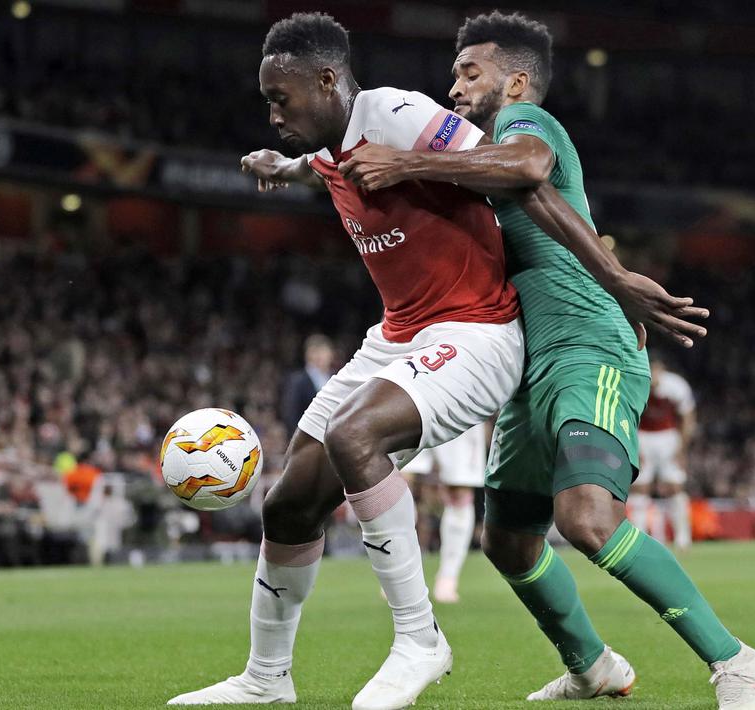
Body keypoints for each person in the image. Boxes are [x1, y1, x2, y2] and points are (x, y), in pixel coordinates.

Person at [169, 12, 704, 710]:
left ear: (327, 80)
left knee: (354, 436)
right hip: (396, 335)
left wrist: (613, 279)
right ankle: (266, 677)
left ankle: (419, 639)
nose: (272, 113)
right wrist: (283, 167)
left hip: (476, 329)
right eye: (266, 102)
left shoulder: (396, 113)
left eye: (281, 98)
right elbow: (329, 165)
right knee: (289, 501)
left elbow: (525, 179)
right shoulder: (332, 142)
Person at [338, 11, 755, 708]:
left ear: (515, 81)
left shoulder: (526, 125)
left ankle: (733, 660)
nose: (452, 88)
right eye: (452, 73)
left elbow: (530, 168)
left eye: (468, 73)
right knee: (508, 541)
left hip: (587, 349)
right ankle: (592, 665)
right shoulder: (473, 162)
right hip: (525, 365)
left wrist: (407, 159)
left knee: (587, 519)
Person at [400, 422, 489, 603]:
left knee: (459, 489)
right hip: (412, 397)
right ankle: (399, 573)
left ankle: (448, 578)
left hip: (459, 400)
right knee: (400, 483)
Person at [632, 356, 697, 550]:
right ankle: (639, 536)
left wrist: (682, 449)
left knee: (675, 485)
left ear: (663, 369)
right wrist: (633, 447)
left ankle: (683, 537)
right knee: (639, 487)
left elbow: (687, 417)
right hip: (642, 435)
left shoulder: (676, 386)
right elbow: (628, 415)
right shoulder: (636, 382)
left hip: (668, 436)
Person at [280, 334, 335, 436]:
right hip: (306, 440)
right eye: (314, 352)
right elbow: (290, 414)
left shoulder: (335, 378)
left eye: (322, 351)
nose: (319, 356)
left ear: (331, 354)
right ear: (307, 355)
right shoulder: (297, 380)